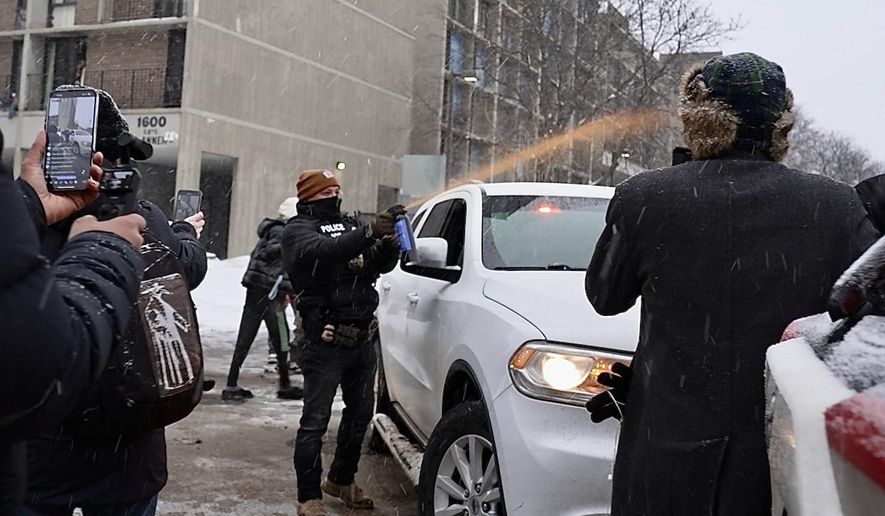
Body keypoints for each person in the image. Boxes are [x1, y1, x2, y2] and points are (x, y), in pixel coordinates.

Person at [584, 52, 878, 516]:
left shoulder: (646, 197)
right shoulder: (836, 207)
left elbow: (604, 297)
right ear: (781, 129)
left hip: (664, 453)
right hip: (776, 460)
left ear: (699, 121)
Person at [20, 87, 208, 516]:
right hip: (129, 439)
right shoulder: (140, 215)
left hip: (41, 450)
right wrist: (184, 233)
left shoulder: (23, 220)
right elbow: (190, 269)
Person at [1, 129, 145, 512]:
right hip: (80, 456)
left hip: (64, 462)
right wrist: (103, 247)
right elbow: (39, 366)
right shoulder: (138, 219)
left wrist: (29, 202)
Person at [281, 169, 401, 516]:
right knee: (314, 422)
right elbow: (326, 251)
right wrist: (368, 232)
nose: (333, 193)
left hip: (362, 339)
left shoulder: (350, 225)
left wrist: (387, 245)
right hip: (324, 341)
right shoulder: (297, 230)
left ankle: (341, 480)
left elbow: (374, 265)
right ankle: (308, 498)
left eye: (336, 188)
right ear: (308, 196)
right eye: (325, 189)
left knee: (361, 415)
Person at [223, 196, 303, 401]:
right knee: (281, 338)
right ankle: (284, 385)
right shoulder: (282, 233)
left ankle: (232, 384)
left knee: (248, 336)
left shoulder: (273, 230)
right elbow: (274, 258)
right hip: (268, 293)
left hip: (260, 290)